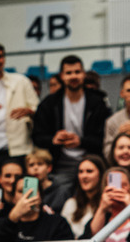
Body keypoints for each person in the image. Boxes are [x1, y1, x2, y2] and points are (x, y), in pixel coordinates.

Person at [31, 54, 108, 186]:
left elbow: (104, 137)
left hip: (90, 159)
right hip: (60, 162)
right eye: (69, 73)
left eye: (77, 72)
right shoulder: (49, 103)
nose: (73, 76)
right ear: (62, 76)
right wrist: (53, 139)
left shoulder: (97, 102)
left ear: (83, 74)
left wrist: (81, 141)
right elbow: (37, 136)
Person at [60, 154, 106, 239]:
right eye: (81, 172)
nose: (84, 176)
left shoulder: (107, 204)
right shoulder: (71, 203)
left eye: (89, 171)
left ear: (100, 175)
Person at [24, 148, 69, 213]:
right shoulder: (24, 191)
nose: (35, 168)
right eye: (31, 165)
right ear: (27, 170)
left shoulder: (61, 191)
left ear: (49, 168)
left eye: (40, 164)